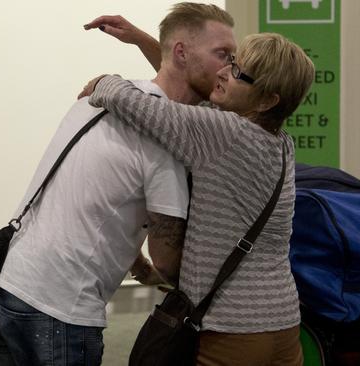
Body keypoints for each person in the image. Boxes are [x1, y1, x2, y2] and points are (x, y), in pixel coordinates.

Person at [0, 3, 236, 365]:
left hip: (11, 285)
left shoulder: (100, 97)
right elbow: (166, 258)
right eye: (222, 54)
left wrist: (130, 255)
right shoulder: (164, 137)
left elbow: (96, 192)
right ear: (181, 52)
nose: (230, 69)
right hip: (62, 312)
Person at [84, 32, 315, 366]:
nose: (223, 72)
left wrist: (103, 82)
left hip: (233, 330)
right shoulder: (281, 144)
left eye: (237, 72)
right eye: (230, 61)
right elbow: (188, 86)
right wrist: (142, 40)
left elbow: (135, 104)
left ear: (266, 101)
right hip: (283, 324)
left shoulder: (222, 133)